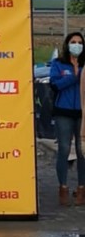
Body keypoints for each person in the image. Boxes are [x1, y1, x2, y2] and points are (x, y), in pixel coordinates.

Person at [51, 30, 85, 206]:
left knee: (82, 152)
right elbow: (55, 84)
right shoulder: (58, 63)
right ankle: (62, 187)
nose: (77, 45)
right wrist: (74, 76)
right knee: (64, 149)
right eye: (73, 42)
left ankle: (81, 188)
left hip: (82, 113)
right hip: (63, 111)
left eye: (80, 42)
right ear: (67, 44)